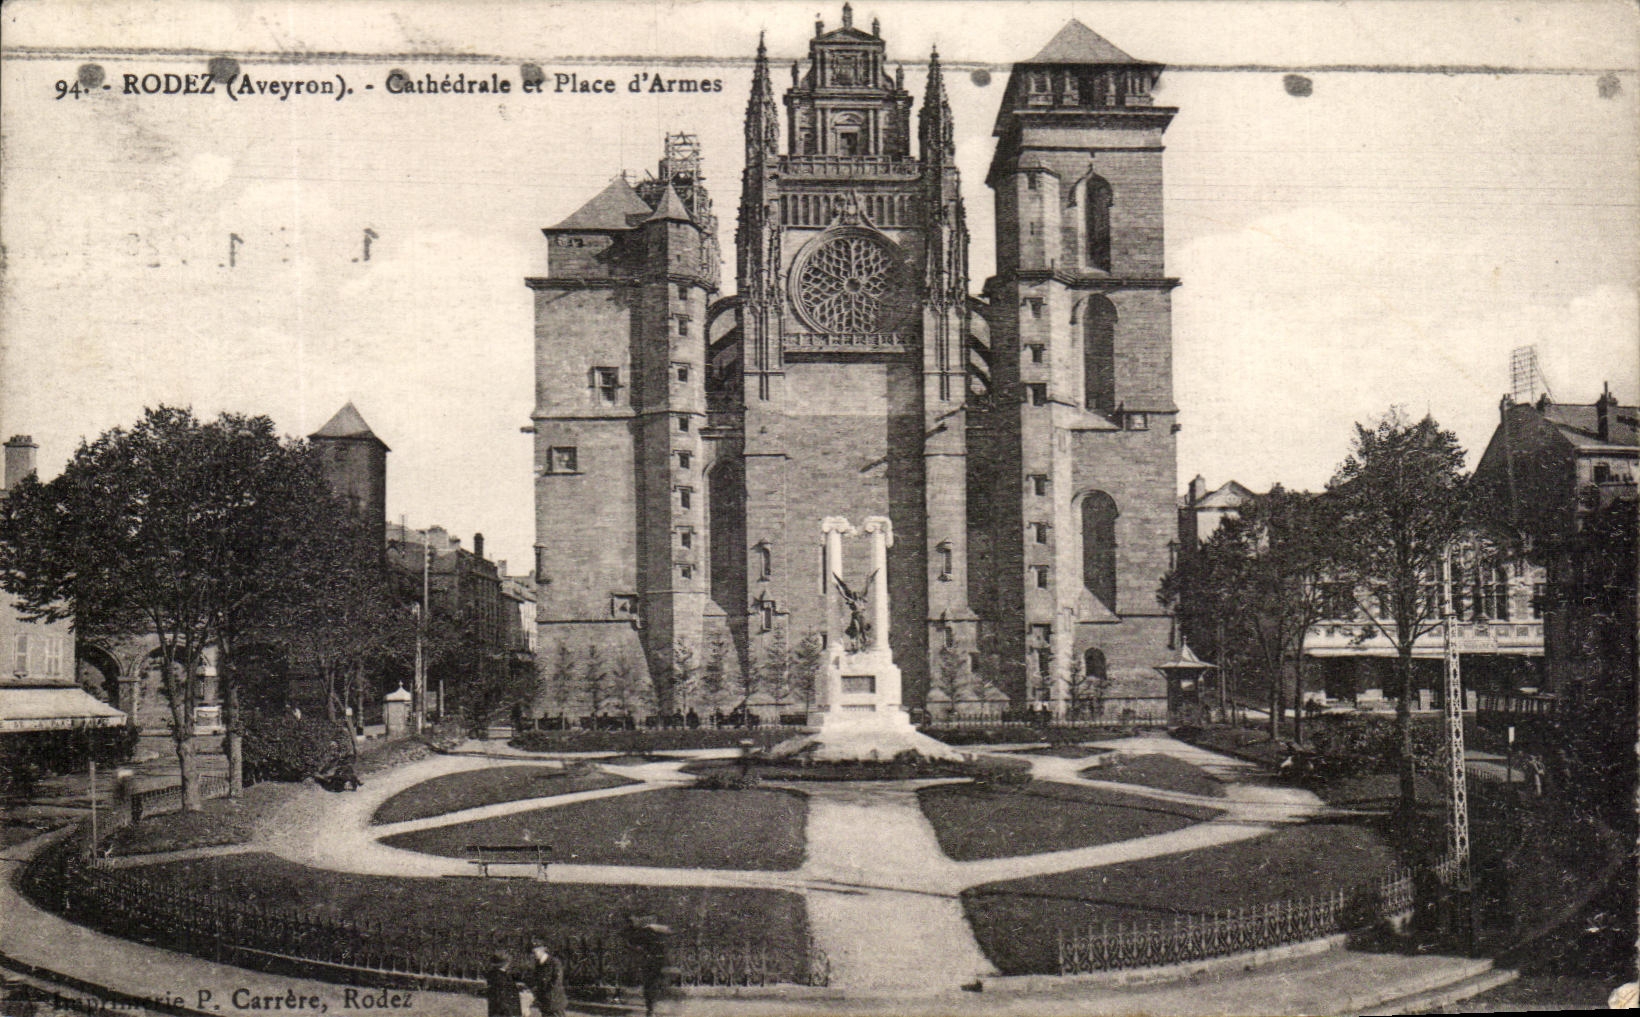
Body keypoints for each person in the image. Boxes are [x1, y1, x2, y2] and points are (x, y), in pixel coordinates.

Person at [529, 942, 567, 1017]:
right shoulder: (538, 964)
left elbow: (557, 980)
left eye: (535, 952)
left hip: (554, 999)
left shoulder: (554, 962)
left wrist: (546, 990)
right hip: (544, 1000)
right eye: (532, 953)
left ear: (542, 950)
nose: (533, 955)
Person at [485, 951, 522, 1017]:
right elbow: (503, 999)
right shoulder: (501, 977)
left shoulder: (494, 975)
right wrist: (511, 1014)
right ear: (506, 963)